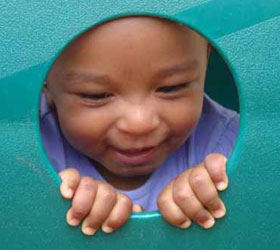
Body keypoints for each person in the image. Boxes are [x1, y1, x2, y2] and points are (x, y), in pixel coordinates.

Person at [40, 16, 239, 236]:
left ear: (207, 57)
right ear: (44, 81)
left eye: (171, 88)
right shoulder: (21, 146)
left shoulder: (230, 143)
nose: (139, 123)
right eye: (96, 95)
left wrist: (220, 191)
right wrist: (44, 201)